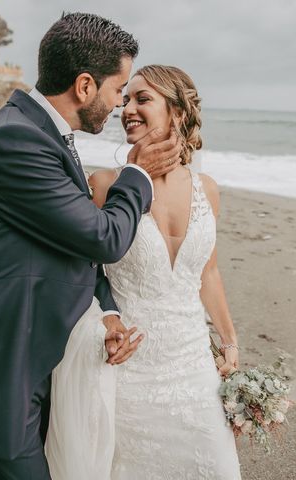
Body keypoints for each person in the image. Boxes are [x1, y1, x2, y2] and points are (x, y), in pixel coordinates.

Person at [0, 14, 182, 480]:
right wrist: (138, 174)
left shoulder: (42, 132)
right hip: (9, 358)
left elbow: (68, 245)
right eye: (118, 88)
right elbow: (102, 237)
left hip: (48, 351)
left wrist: (107, 311)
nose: (118, 104)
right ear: (85, 86)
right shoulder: (16, 138)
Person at [46, 65, 241, 479]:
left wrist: (230, 342)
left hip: (194, 370)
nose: (125, 108)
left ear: (177, 112)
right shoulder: (103, 184)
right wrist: (105, 323)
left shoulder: (207, 189)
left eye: (142, 99)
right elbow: (82, 271)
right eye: (126, 98)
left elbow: (209, 274)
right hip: (129, 366)